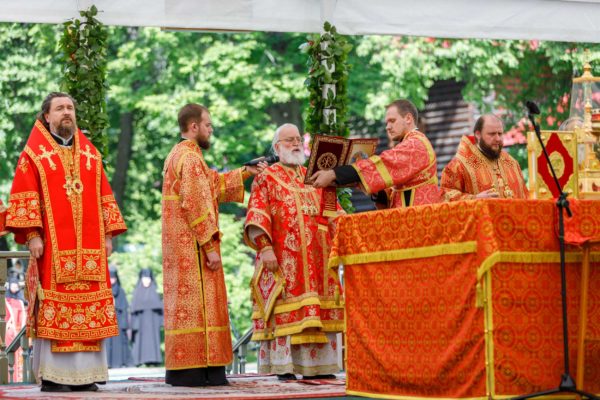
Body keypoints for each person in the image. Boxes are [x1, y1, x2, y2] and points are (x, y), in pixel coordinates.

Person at [4, 92, 127, 392]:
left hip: (90, 253)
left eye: (70, 108)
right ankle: (54, 377)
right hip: (53, 252)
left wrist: (107, 235)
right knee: (54, 309)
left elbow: (104, 194)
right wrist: (32, 234)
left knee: (89, 311)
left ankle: (86, 377)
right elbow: (25, 193)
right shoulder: (34, 154)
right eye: (59, 108)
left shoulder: (90, 154)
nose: (67, 112)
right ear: (47, 117)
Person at [161, 103, 265, 386]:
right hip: (194, 250)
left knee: (186, 309)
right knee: (199, 308)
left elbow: (212, 184)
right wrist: (210, 247)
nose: (211, 130)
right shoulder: (190, 158)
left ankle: (186, 370)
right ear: (193, 126)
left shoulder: (178, 154)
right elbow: (198, 204)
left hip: (180, 250)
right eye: (208, 125)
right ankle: (201, 371)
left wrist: (245, 171)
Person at [244, 123, 344, 380]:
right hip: (284, 259)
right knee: (287, 309)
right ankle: (285, 366)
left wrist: (349, 235)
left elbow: (334, 212)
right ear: (277, 147)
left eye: (298, 139)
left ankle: (319, 367)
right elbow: (257, 213)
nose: (296, 143)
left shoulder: (315, 176)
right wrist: (265, 248)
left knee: (317, 309)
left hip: (318, 260)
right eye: (289, 140)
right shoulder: (267, 176)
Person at [308, 99, 439, 208]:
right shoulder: (411, 142)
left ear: (408, 118)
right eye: (387, 122)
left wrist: (334, 174)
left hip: (419, 220)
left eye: (392, 121)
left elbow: (383, 162)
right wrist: (370, 186)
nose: (387, 127)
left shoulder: (415, 144)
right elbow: (394, 193)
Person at [440, 114, 528, 201]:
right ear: (478, 134)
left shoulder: (512, 163)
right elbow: (444, 196)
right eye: (492, 134)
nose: (498, 138)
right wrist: (474, 199)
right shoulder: (459, 165)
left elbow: (526, 199)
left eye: (500, 134)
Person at [130, 268, 163, 366]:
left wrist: (160, 322)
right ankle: (140, 361)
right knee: (140, 340)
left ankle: (154, 360)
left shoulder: (154, 292)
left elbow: (159, 310)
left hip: (153, 322)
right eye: (144, 278)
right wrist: (134, 324)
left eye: (148, 278)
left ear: (151, 279)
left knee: (152, 339)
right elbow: (133, 310)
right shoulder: (137, 292)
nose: (146, 281)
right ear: (141, 279)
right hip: (140, 322)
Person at [106, 265, 134, 368]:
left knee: (118, 341)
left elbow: (124, 308)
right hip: (107, 319)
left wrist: (124, 324)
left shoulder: (120, 291)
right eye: (110, 277)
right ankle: (108, 363)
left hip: (118, 319)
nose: (112, 280)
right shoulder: (104, 289)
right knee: (107, 341)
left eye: (113, 278)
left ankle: (118, 362)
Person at [5, 277, 27, 382]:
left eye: (15, 285)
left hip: (19, 332)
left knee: (19, 356)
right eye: (12, 284)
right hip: (9, 332)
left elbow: (23, 317)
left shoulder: (20, 301)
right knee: (9, 354)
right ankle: (9, 378)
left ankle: (18, 379)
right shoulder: (5, 301)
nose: (14, 287)